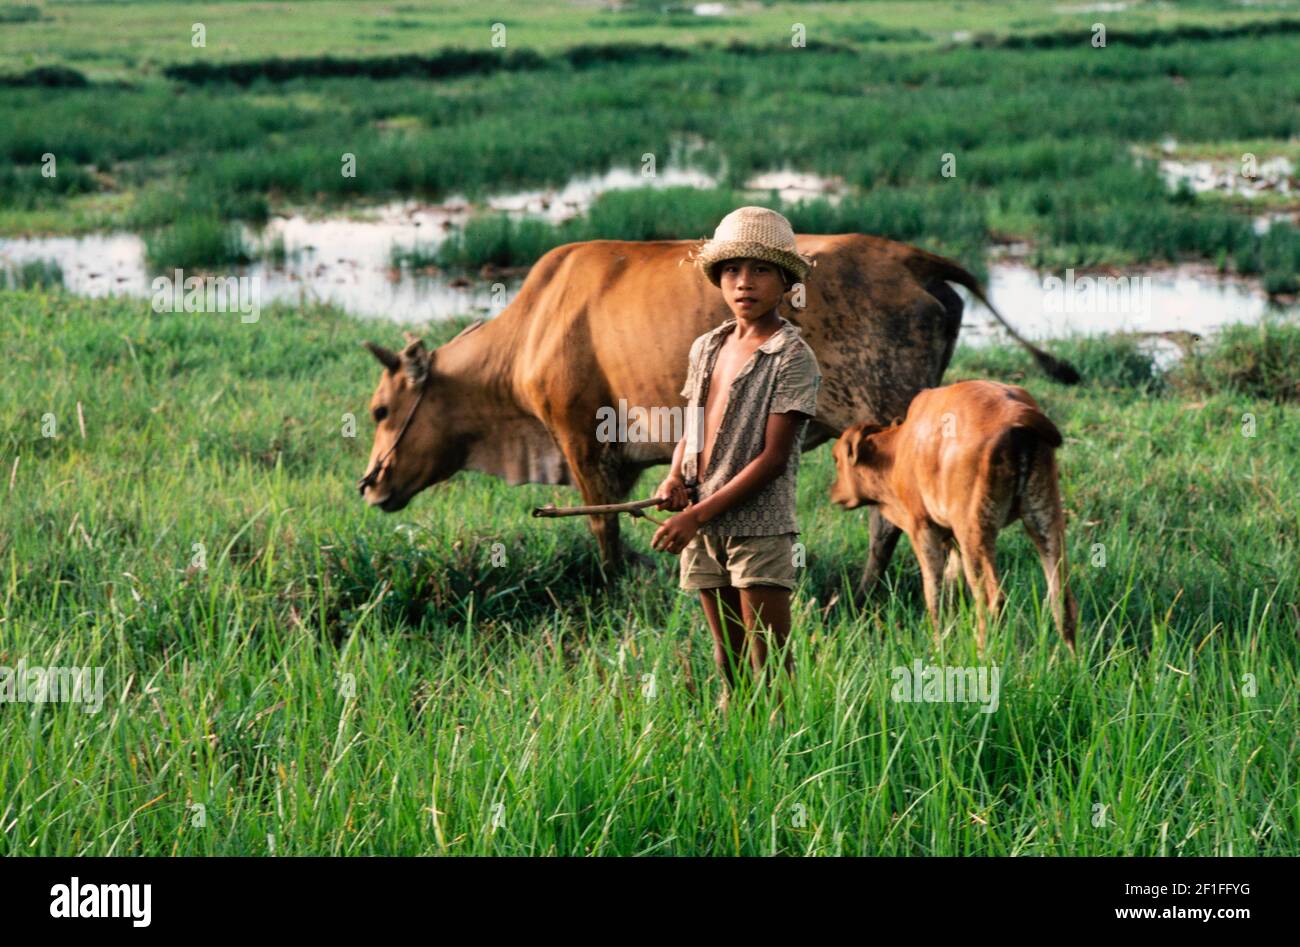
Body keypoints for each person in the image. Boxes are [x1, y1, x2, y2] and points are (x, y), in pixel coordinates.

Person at [652, 206, 822, 711]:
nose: (743, 282)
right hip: (704, 523)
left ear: (787, 280)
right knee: (728, 660)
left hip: (758, 525)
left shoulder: (793, 358)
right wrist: (673, 477)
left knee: (770, 662)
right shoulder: (708, 345)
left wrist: (694, 515)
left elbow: (772, 459)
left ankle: (786, 751)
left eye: (760, 270)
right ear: (719, 279)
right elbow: (694, 423)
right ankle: (738, 749)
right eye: (731, 270)